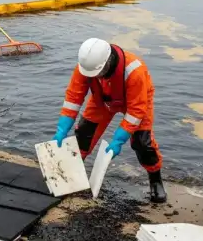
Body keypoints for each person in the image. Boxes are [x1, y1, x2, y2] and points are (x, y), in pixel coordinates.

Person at [52, 38, 166, 203]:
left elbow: (136, 111)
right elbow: (73, 97)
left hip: (136, 101)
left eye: (97, 73)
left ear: (108, 63)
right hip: (102, 100)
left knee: (142, 143)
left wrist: (118, 140)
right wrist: (62, 128)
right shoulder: (86, 67)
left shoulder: (134, 71)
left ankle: (155, 180)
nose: (94, 76)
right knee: (83, 135)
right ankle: (70, 177)